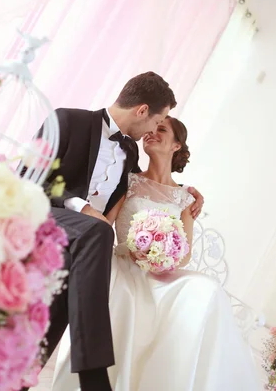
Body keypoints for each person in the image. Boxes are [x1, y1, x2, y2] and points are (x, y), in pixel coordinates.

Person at [21, 72, 204, 391]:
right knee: (99, 233)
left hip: (80, 246)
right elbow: (26, 176)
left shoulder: (130, 154)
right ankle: (94, 377)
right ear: (142, 110)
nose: (152, 131)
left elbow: (147, 189)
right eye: (156, 121)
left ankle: (20, 379)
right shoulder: (67, 121)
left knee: (83, 265)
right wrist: (80, 207)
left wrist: (187, 191)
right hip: (45, 219)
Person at [51, 117, 262, 390]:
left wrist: (161, 255)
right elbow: (105, 223)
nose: (151, 133)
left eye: (161, 130)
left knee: (206, 289)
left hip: (161, 271)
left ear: (177, 145)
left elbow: (184, 254)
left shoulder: (186, 198)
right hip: (125, 263)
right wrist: (138, 247)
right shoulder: (128, 182)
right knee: (124, 296)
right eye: (151, 129)